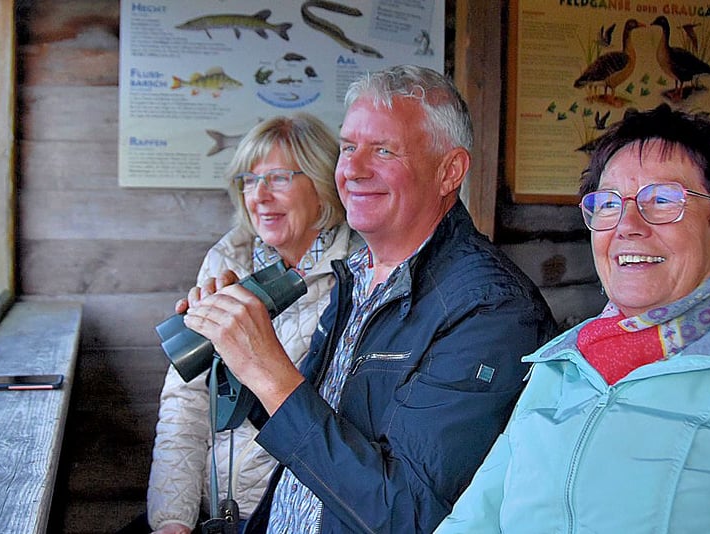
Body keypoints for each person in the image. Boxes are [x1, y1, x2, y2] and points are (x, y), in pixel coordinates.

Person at [180, 65, 557, 533]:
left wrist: (268, 371)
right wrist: (235, 343)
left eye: (383, 150)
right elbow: (314, 427)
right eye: (348, 148)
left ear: (449, 171)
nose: (353, 171)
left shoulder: (492, 309)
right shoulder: (358, 274)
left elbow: (407, 514)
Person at [436, 104, 710, 533]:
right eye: (607, 204)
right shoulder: (565, 363)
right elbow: (477, 517)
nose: (627, 225)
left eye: (662, 200)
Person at [146, 113, 360, 534]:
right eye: (248, 180)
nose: (259, 196)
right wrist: (172, 520)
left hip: (295, 517)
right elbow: (185, 400)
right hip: (214, 510)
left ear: (322, 184)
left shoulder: (358, 273)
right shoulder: (227, 261)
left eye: (278, 178)